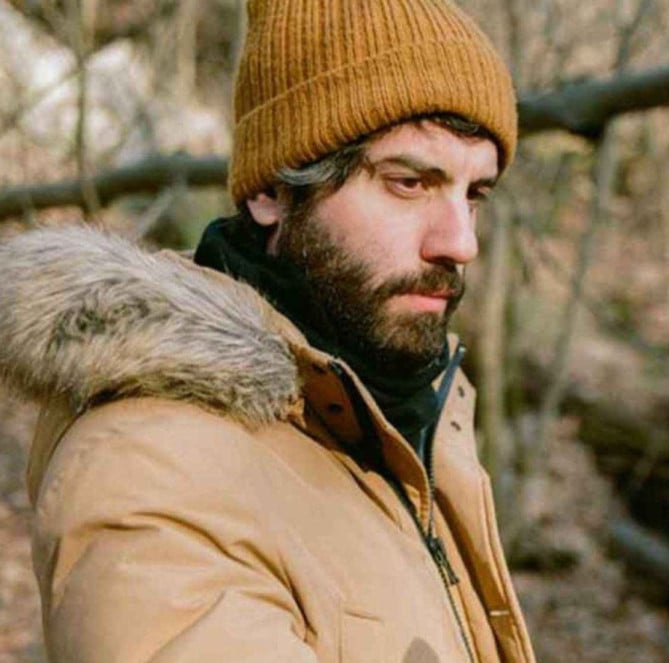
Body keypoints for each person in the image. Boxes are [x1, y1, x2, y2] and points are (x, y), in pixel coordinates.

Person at [0, 1, 535, 661]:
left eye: (473, 194)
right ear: (272, 192)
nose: (460, 243)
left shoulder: (393, 413)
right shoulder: (154, 466)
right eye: (408, 183)